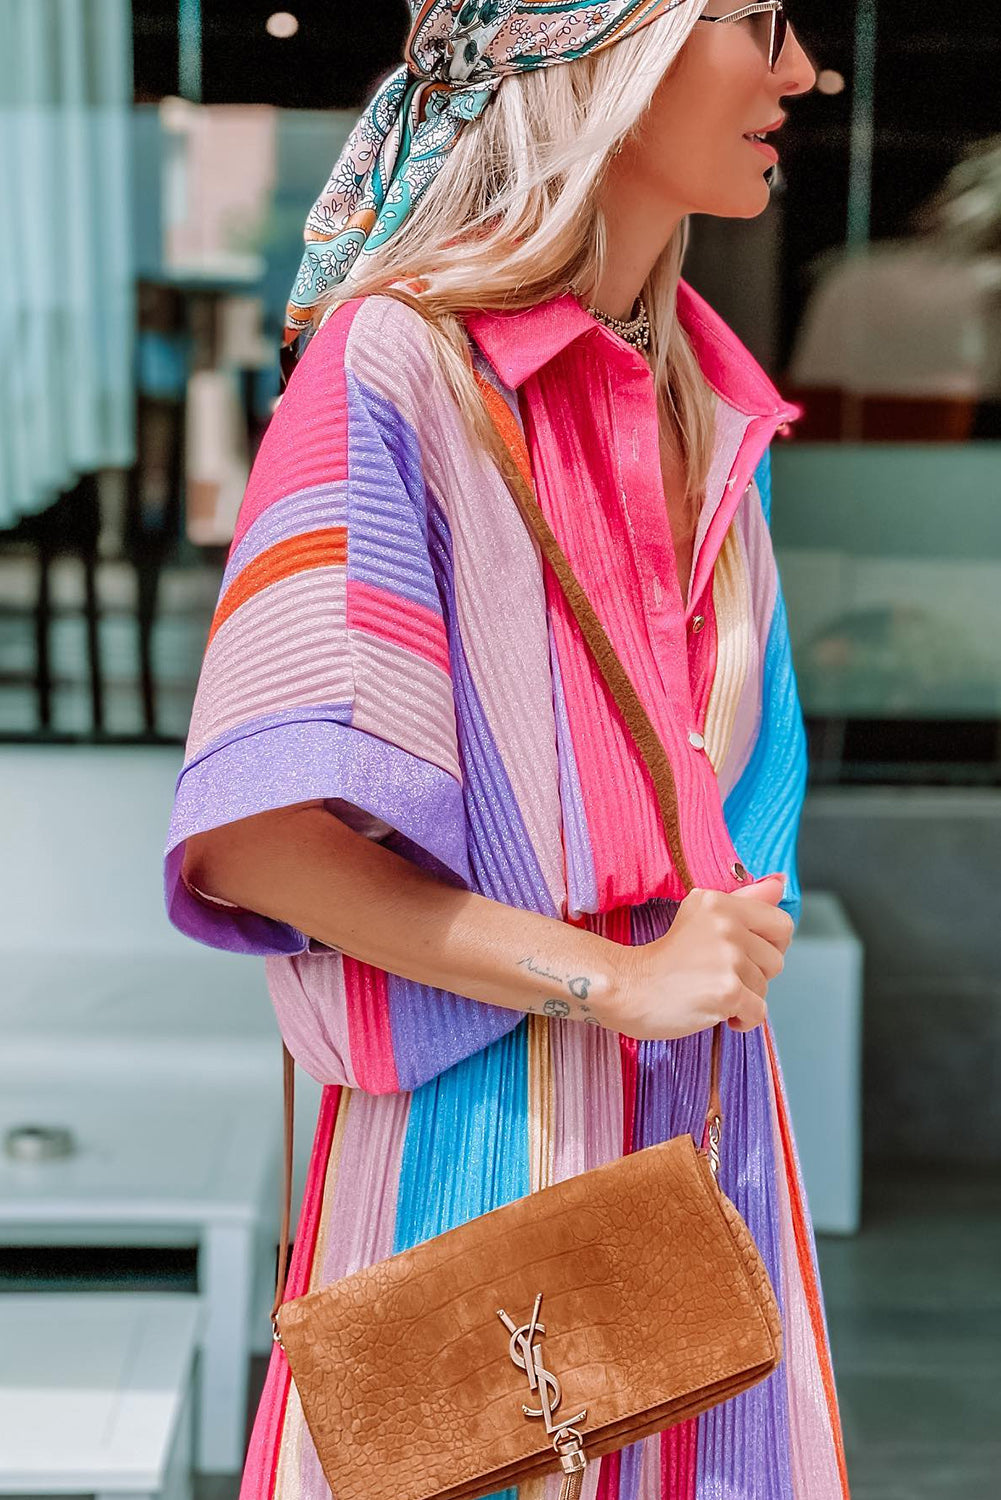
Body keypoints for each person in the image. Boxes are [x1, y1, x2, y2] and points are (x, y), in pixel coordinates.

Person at [164, 2, 850, 1495]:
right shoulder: (399, 369)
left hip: (704, 1151)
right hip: (481, 1164)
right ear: (594, 45)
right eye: (755, 18)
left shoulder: (706, 397)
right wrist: (619, 976)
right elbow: (253, 835)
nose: (804, 69)